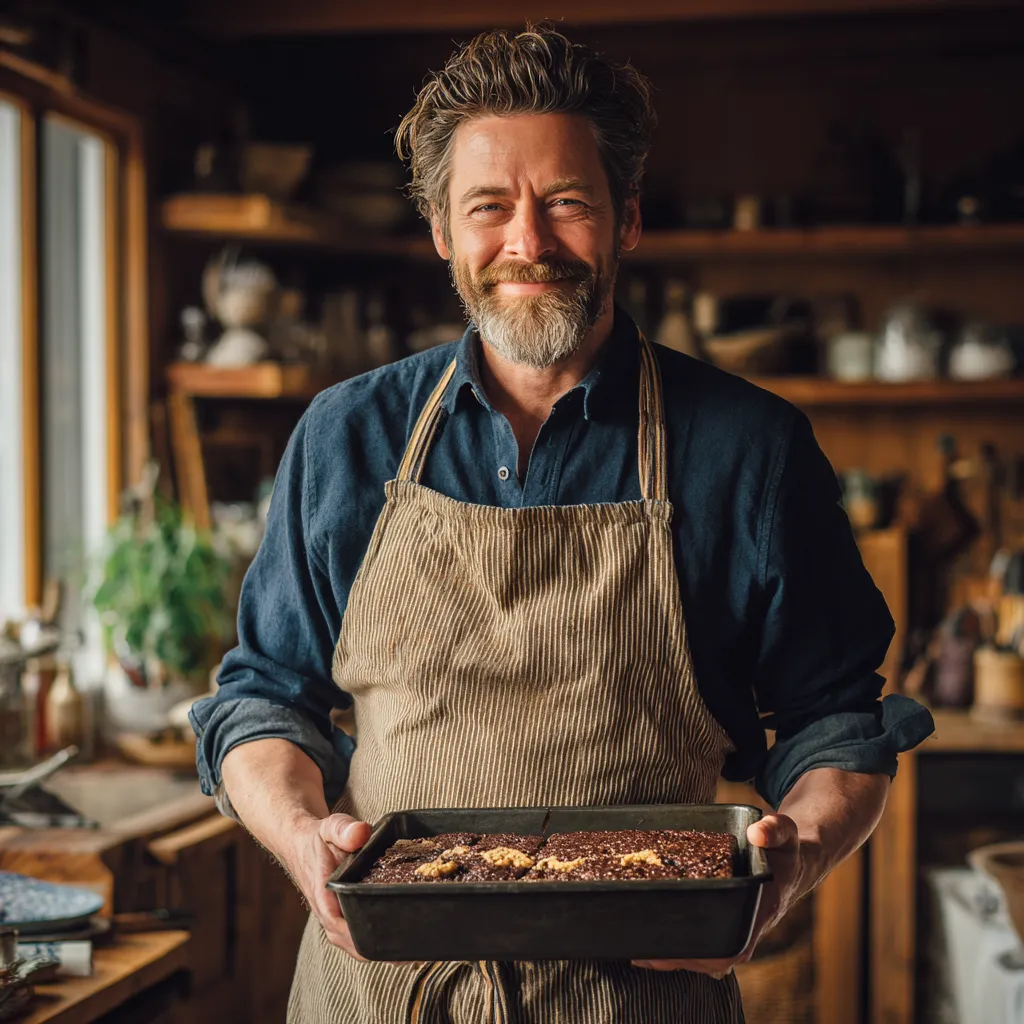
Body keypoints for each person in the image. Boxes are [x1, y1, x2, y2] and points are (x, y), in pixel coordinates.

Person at [191, 25, 934, 1023]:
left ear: (625, 219)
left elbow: (835, 725)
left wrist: (790, 864)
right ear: (442, 232)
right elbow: (266, 697)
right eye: (489, 207)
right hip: (379, 995)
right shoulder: (346, 436)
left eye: (567, 203)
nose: (527, 243)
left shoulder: (748, 450)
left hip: (642, 997)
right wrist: (298, 838)